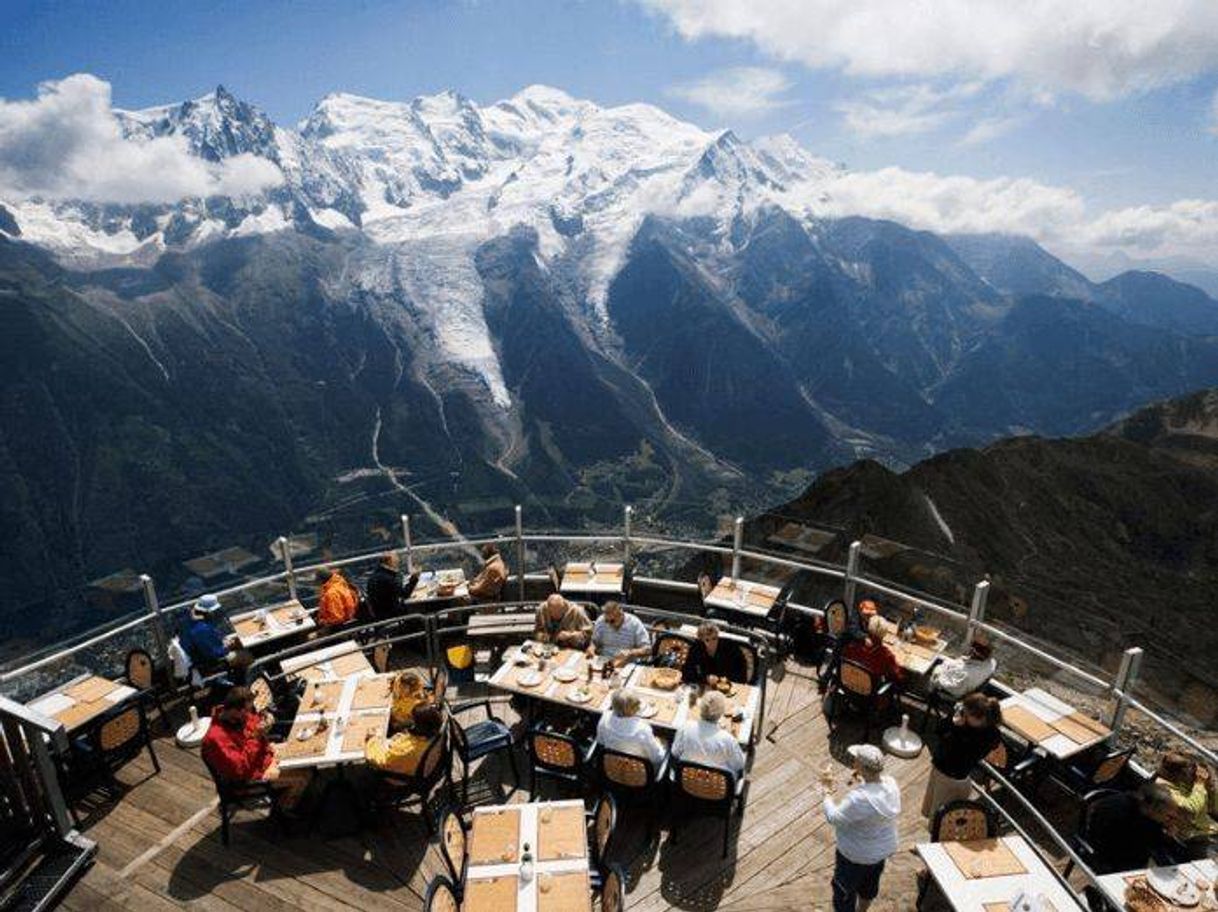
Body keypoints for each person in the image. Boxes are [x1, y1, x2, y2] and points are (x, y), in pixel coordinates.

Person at [201, 687, 312, 810]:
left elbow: (255, 723)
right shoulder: (215, 739)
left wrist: (266, 720)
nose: (249, 714)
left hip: (266, 755)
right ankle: (285, 809)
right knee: (303, 777)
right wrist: (256, 737)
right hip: (252, 777)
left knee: (306, 753)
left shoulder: (236, 716)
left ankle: (295, 797)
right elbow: (240, 769)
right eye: (246, 710)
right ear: (234, 710)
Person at [821, 744, 901, 912]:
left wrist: (827, 792)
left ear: (860, 766)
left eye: (856, 759)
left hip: (854, 856)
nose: (854, 761)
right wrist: (864, 779)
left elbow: (834, 818)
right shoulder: (891, 784)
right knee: (868, 888)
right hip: (878, 854)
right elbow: (875, 787)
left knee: (844, 893)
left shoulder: (858, 800)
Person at [921, 692, 1002, 828]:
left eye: (967, 714)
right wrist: (950, 721)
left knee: (940, 820)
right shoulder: (964, 721)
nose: (963, 715)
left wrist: (956, 728)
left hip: (951, 776)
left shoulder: (988, 736)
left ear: (980, 718)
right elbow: (939, 730)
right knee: (932, 806)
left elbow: (960, 751)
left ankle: (934, 837)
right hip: (939, 768)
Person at [1084, 782, 1178, 873]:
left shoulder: (1144, 813)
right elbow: (1147, 846)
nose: (1169, 819)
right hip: (1106, 853)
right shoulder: (1124, 813)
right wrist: (1166, 836)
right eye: (1168, 816)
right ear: (1151, 807)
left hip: (1123, 850)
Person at [1155, 752, 1218, 859]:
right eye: (1191, 770)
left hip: (1210, 832)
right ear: (1179, 773)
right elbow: (1189, 809)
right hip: (1191, 839)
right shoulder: (1161, 787)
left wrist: (1210, 785)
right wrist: (1199, 784)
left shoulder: (1186, 784)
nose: (1194, 773)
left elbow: (1214, 808)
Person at [671, 690, 746, 777]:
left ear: (701, 708)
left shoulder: (685, 728)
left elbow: (675, 753)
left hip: (687, 780)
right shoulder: (728, 740)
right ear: (721, 713)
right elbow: (739, 765)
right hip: (717, 786)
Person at [365, 701, 445, 776]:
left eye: (414, 720)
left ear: (419, 726)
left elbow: (379, 760)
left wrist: (373, 739)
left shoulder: (407, 749)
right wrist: (396, 739)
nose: (411, 722)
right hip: (420, 765)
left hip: (400, 777)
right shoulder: (435, 732)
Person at [596, 689, 666, 768]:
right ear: (631, 709)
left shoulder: (604, 718)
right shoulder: (642, 729)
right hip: (639, 772)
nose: (639, 707)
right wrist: (660, 744)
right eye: (636, 705)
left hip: (613, 768)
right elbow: (658, 758)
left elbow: (600, 741)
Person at [841, 616, 904, 687]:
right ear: (884, 634)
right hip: (869, 693)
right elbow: (897, 677)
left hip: (847, 683)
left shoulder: (853, 645)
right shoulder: (886, 655)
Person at [681, 621, 748, 687]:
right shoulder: (696, 648)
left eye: (714, 638)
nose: (711, 643)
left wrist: (723, 680)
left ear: (718, 636)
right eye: (707, 640)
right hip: (704, 687)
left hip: (727, 686)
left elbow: (742, 672)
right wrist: (706, 678)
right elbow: (687, 672)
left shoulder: (731, 647)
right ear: (701, 640)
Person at [929, 637, 997, 700]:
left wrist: (938, 672)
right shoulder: (992, 664)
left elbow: (951, 687)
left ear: (973, 652)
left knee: (929, 670)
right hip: (960, 682)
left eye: (971, 650)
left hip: (949, 692)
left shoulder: (965, 674)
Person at [178, 594, 234, 671]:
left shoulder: (187, 623)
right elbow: (213, 654)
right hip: (207, 664)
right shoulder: (203, 629)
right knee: (245, 656)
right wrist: (227, 646)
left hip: (197, 658)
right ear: (210, 612)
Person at [588, 600, 651, 666]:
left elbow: (647, 649)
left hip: (627, 664)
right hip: (604, 661)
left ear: (621, 615)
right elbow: (594, 642)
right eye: (606, 621)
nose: (609, 624)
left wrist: (630, 652)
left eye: (612, 621)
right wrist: (592, 648)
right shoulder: (601, 621)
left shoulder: (634, 623)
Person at [365, 553, 420, 620]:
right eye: (396, 558)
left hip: (379, 613)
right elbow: (405, 594)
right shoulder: (388, 579)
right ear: (390, 561)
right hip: (391, 616)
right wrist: (414, 578)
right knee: (418, 615)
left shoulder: (376, 574)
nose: (398, 560)